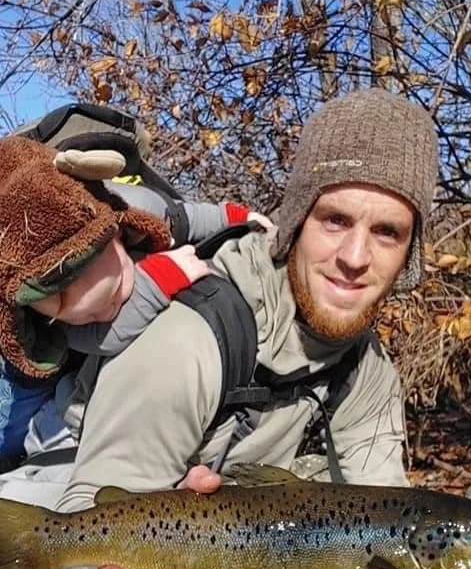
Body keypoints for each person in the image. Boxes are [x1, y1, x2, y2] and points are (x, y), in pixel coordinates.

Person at [0, 88, 465, 569]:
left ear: (409, 253)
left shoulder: (368, 373)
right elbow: (85, 534)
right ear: (294, 224)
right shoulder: (196, 331)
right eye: (334, 220)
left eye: (386, 231)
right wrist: (132, 567)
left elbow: (389, 521)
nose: (354, 256)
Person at [0, 135, 269, 467]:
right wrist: (156, 283)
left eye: (113, 295)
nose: (102, 313)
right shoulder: (34, 305)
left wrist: (239, 217)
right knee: (10, 421)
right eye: (71, 312)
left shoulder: (129, 207)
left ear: (115, 232)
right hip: (20, 372)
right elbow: (99, 339)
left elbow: (185, 217)